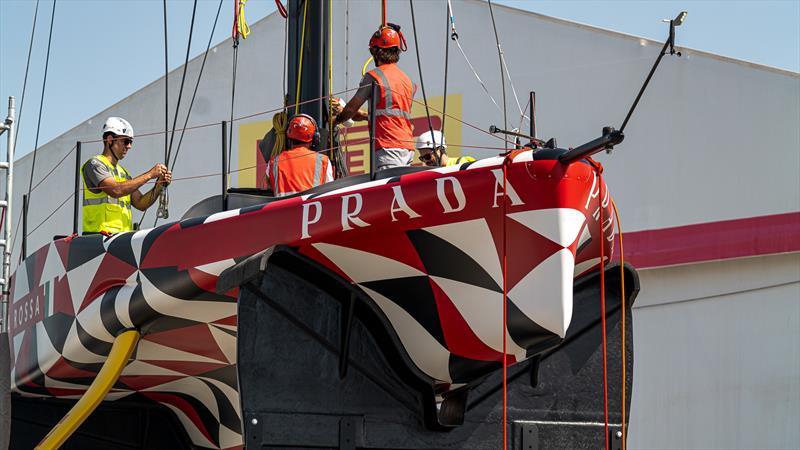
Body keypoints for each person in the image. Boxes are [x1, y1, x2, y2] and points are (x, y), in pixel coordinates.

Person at [332, 23, 415, 171]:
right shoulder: (407, 80)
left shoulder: (374, 76)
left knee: (388, 190)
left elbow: (352, 108)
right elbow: (388, 114)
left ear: (376, 52)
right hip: (407, 147)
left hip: (388, 147)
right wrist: (360, 114)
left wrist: (337, 119)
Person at [81, 117, 172, 234]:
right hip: (98, 238)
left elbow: (140, 203)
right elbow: (116, 190)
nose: (129, 146)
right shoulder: (95, 164)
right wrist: (150, 174)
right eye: (126, 141)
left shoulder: (123, 173)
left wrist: (159, 185)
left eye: (131, 142)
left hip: (120, 238)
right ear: (110, 140)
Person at [267, 114, 333, 197]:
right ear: (315, 138)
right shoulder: (323, 161)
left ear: (288, 137)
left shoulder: (274, 162)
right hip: (312, 209)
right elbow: (330, 192)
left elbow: (270, 185)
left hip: (283, 209)